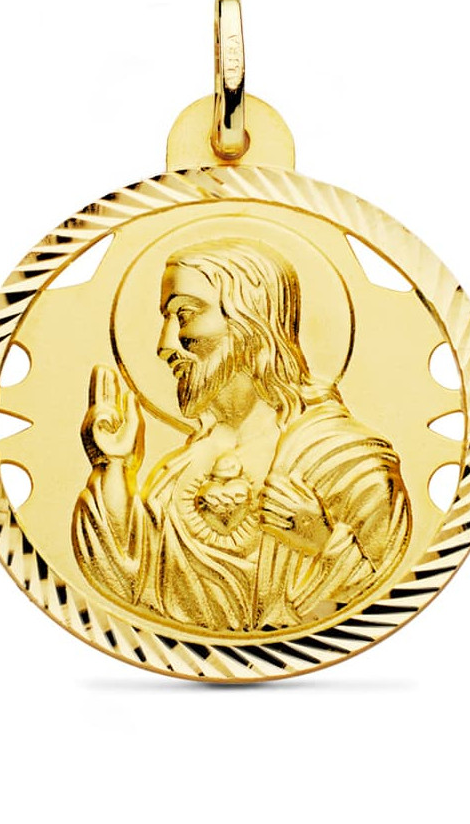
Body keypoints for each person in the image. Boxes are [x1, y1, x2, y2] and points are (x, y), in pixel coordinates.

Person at [72, 238, 410, 631]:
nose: (165, 345)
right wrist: (112, 466)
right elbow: (127, 586)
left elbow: (390, 597)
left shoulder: (345, 461)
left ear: (251, 319)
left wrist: (321, 540)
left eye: (185, 314)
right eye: (166, 319)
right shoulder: (176, 473)